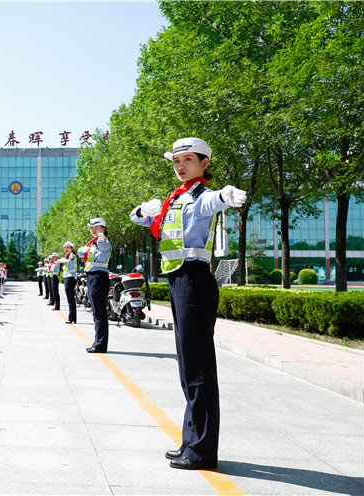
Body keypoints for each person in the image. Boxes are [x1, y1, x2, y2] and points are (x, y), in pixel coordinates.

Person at [131, 137, 246, 470]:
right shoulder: (175, 199)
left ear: (204, 164)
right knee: (187, 368)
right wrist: (143, 210)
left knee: (198, 369)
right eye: (176, 160)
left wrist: (225, 195)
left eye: (188, 160)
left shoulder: (200, 197)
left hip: (195, 281)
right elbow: (140, 219)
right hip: (179, 280)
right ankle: (191, 441)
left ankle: (202, 451)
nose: (180, 165)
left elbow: (214, 201)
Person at [77, 218, 112, 353]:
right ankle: (98, 341)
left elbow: (103, 244)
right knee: (96, 312)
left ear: (103, 228)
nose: (93, 230)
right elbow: (81, 253)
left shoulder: (103, 241)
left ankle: (100, 344)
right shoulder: (93, 243)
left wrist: (100, 235)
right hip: (92, 277)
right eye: (91, 228)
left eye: (96, 227)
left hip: (99, 277)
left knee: (99, 313)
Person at [56, 242, 78, 323]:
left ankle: (71, 318)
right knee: (70, 298)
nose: (66, 249)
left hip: (70, 278)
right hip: (67, 277)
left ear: (72, 248)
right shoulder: (68, 256)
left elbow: (69, 260)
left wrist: (62, 260)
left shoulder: (72, 255)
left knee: (70, 298)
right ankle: (73, 318)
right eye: (65, 247)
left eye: (68, 247)